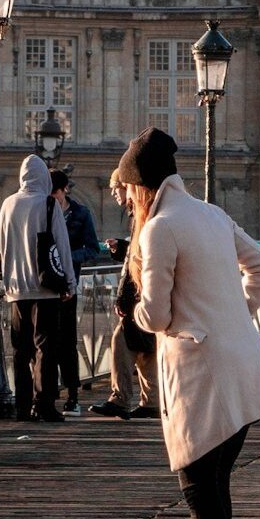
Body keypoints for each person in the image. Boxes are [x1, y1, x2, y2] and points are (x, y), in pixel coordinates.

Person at [126, 126, 260, 519]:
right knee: (214, 483)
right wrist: (233, 314)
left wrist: (134, 312)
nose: (127, 200)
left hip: (200, 372)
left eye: (128, 190)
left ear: (142, 186)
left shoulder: (159, 228)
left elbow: (155, 314)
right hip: (243, 365)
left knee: (198, 486)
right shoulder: (212, 214)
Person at [0, 154, 74, 422]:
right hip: (46, 288)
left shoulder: (8, 204)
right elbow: (61, 247)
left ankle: (22, 406)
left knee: (21, 350)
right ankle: (44, 404)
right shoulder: (49, 204)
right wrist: (70, 282)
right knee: (46, 349)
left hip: (16, 288)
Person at [89, 172, 158, 420]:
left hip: (139, 293)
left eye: (116, 188)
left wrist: (123, 298)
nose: (113, 193)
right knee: (147, 346)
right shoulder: (144, 212)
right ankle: (151, 401)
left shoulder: (142, 214)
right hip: (148, 293)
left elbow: (139, 260)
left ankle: (120, 399)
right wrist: (123, 248)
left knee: (123, 340)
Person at [49, 169, 101, 416]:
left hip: (68, 287)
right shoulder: (44, 211)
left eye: (56, 195)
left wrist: (68, 257)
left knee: (68, 343)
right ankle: (48, 395)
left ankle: (72, 395)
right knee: (47, 343)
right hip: (46, 285)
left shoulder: (81, 214)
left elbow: (92, 248)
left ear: (65, 190)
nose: (53, 200)